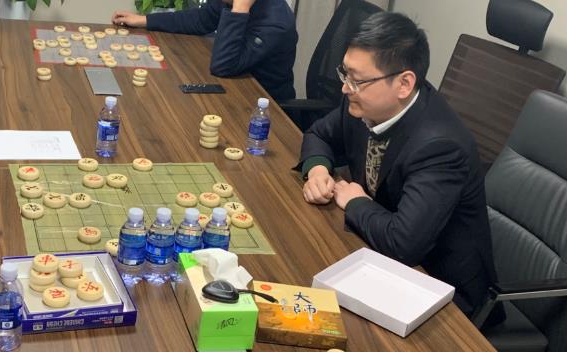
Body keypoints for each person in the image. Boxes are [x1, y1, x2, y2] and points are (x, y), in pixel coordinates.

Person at [299, 12, 496, 318]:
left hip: (440, 289)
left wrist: (355, 202)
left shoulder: (441, 147)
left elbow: (403, 244)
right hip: (378, 253)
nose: (345, 88)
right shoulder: (366, 102)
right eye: (345, 74)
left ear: (404, 84)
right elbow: (318, 134)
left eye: (356, 80)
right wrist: (318, 170)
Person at [111, 0, 297, 101]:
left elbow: (223, 66)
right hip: (231, 89)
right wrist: (145, 20)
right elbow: (201, 20)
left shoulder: (276, 23)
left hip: (264, 107)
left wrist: (240, 8)